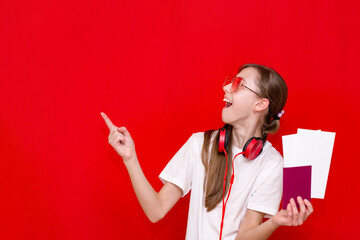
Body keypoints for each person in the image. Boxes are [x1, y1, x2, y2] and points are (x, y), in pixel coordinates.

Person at [101, 63, 314, 240]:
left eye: (239, 84)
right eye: (231, 81)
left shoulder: (272, 163)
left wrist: (276, 221)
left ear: (260, 104)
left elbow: (244, 237)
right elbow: (156, 211)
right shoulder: (199, 144)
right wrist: (130, 159)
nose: (227, 88)